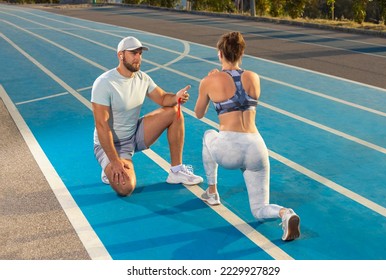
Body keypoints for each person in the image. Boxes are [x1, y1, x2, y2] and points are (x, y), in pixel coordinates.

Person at [194, 31, 300, 241]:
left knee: (208, 134)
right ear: (242, 52)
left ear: (220, 53)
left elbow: (198, 114)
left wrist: (209, 81)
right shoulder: (254, 78)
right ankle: (285, 213)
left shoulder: (210, 80)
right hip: (256, 147)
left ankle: (212, 191)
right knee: (259, 209)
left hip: (229, 147)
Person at [91, 36, 203, 197]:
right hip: (111, 145)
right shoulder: (104, 83)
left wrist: (176, 97)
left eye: (140, 53)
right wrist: (114, 161)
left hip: (133, 134)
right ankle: (108, 165)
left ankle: (176, 171)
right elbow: (102, 126)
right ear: (120, 55)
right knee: (125, 188)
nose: (138, 58)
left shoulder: (142, 78)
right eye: (133, 53)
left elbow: (163, 98)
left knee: (174, 111)